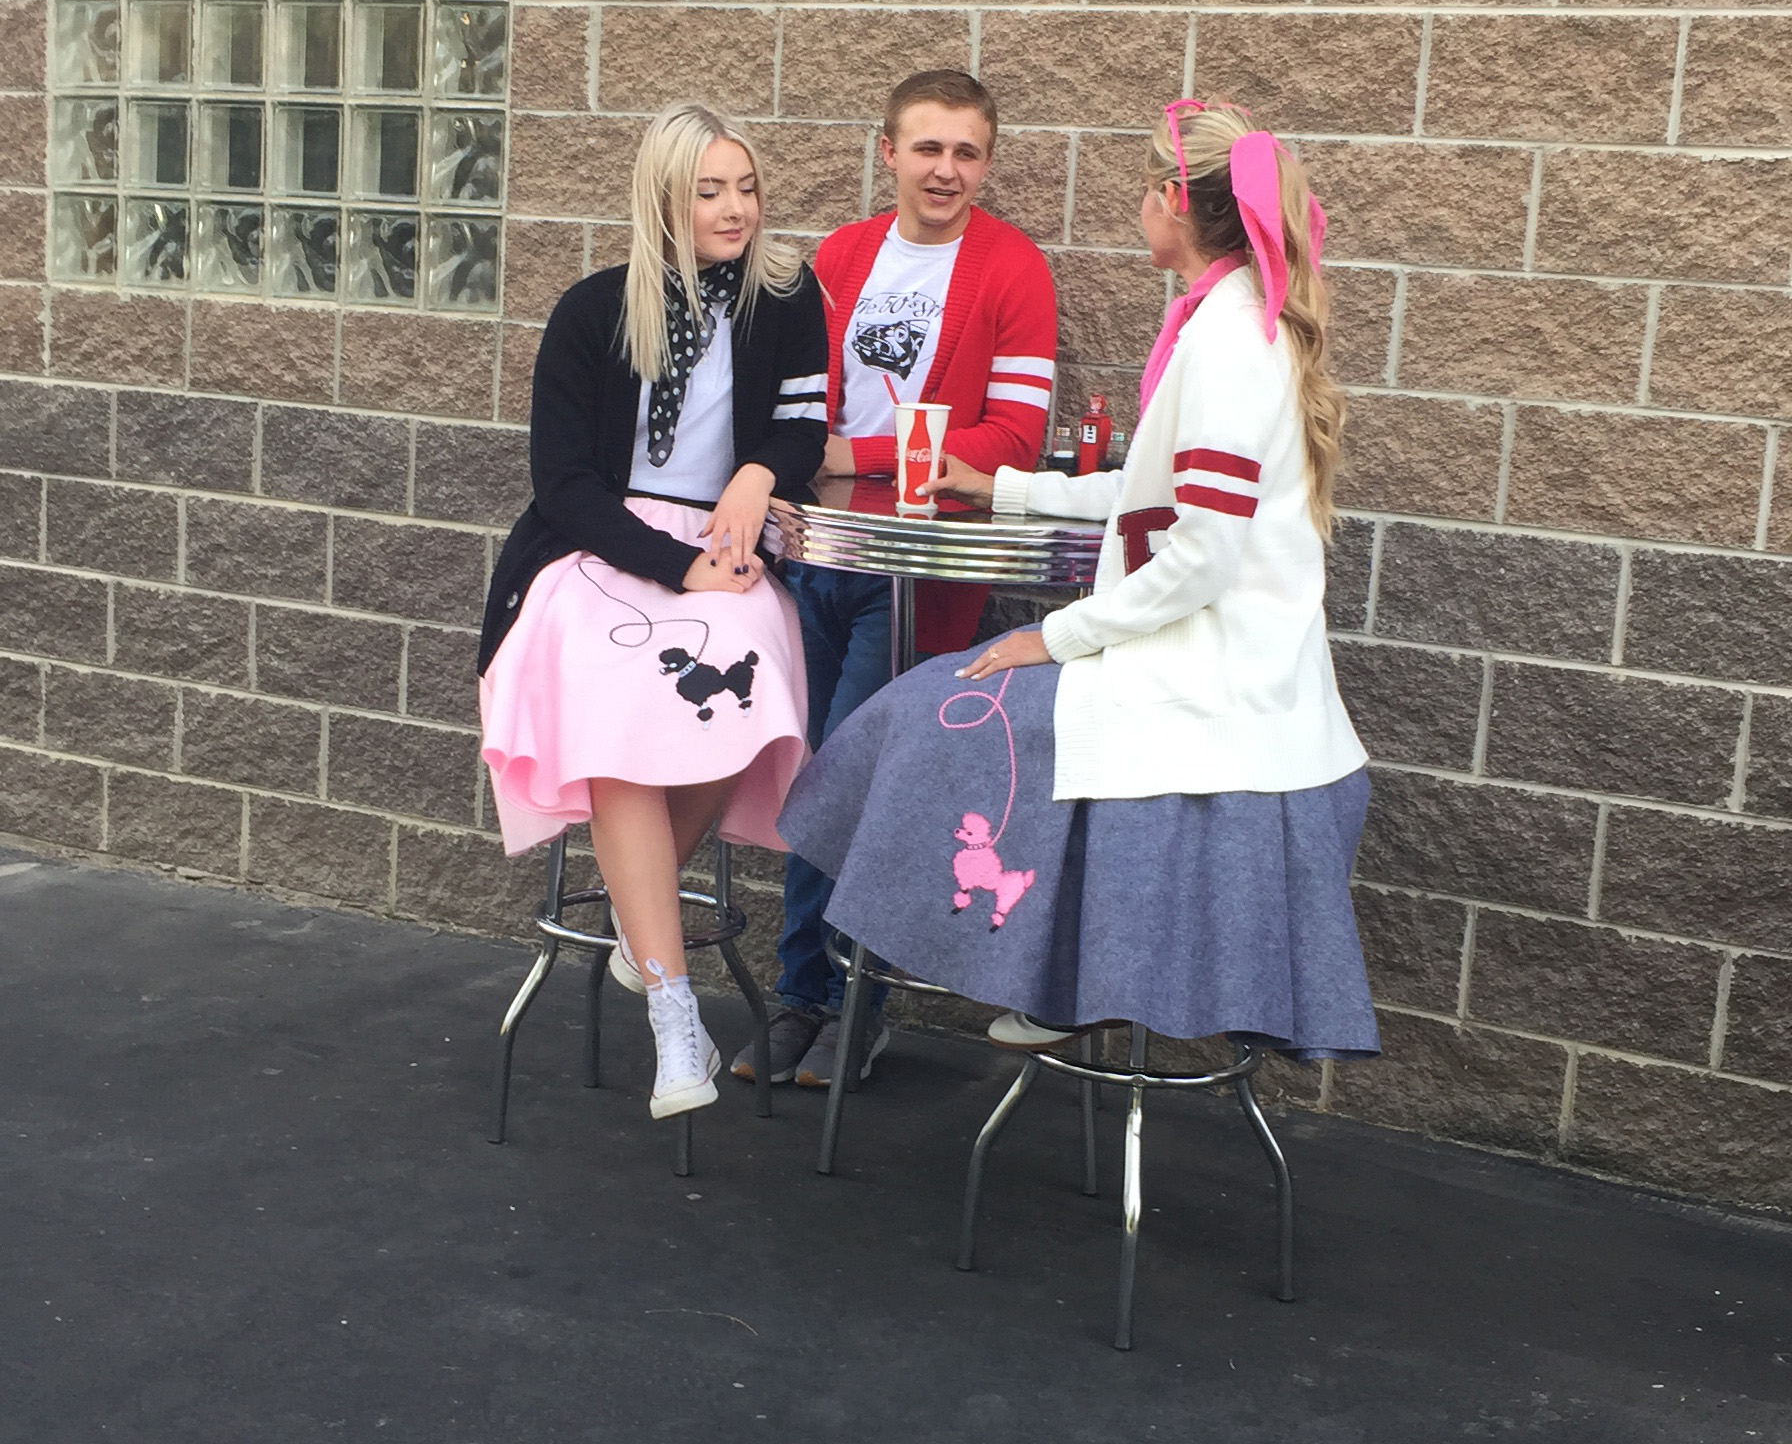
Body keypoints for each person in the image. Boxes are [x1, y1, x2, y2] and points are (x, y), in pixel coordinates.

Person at [775, 100, 1379, 1064]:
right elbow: (1154, 490)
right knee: (926, 712)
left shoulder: (1226, 340)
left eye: (1145, 191)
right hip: (1205, 655)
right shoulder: (1225, 320)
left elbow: (1203, 550)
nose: (1137, 208)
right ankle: (1022, 977)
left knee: (927, 713)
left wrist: (1052, 637)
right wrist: (1010, 485)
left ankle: (1035, 977)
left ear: (1174, 203)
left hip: (1209, 674)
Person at [478, 103, 829, 1120]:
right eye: (709, 190)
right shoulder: (593, 310)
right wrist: (673, 570)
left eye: (746, 187)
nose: (734, 208)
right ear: (664, 199)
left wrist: (759, 476)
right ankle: (674, 1009)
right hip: (599, 553)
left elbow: (802, 427)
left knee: (752, 683)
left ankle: (643, 926)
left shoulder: (783, 295)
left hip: (721, 544)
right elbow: (563, 485)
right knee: (622, 715)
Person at [731, 69, 1059, 1090]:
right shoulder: (841, 255)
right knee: (808, 779)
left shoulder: (1014, 271)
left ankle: (849, 1008)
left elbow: (1014, 439)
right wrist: (821, 456)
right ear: (887, 152)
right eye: (927, 147)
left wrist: (855, 454)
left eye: (966, 151)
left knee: (864, 784)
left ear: (988, 162)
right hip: (815, 559)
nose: (945, 169)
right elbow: (792, 413)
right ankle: (802, 999)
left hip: (918, 580)